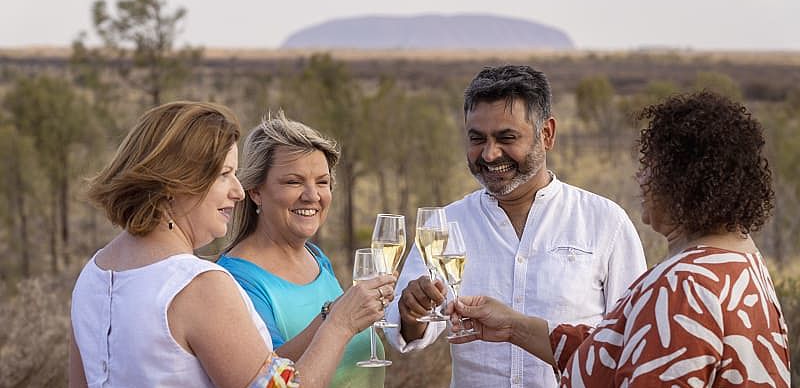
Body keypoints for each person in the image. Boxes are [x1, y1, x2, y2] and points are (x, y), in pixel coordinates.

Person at [448, 91, 790, 387]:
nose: (641, 177)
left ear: (687, 182)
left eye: (652, 166)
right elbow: (620, 350)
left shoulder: (683, 286)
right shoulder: (740, 263)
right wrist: (513, 327)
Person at [70, 101, 394, 388]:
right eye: (224, 174)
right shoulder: (198, 285)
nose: (238, 191)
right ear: (175, 182)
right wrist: (339, 324)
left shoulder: (95, 274)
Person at [384, 65, 647, 387]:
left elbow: (633, 340)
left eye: (507, 138)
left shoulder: (606, 222)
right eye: (477, 139)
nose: (490, 154)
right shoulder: (446, 223)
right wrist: (412, 312)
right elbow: (408, 332)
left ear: (546, 134)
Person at [218, 111, 389, 388]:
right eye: (293, 182)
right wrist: (335, 318)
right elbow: (266, 376)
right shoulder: (236, 280)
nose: (313, 195)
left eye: (322, 182)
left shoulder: (316, 258)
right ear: (256, 191)